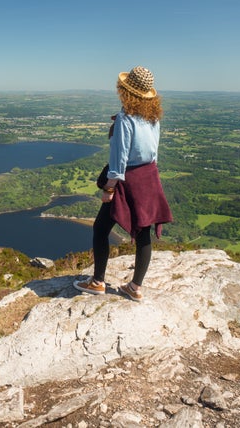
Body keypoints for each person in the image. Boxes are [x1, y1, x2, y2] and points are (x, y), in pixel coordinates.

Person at [74, 65, 173, 301]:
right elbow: (153, 152)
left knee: (100, 229)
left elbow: (119, 158)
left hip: (126, 179)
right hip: (149, 176)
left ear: (125, 91)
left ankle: (97, 282)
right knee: (144, 232)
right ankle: (135, 287)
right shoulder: (153, 118)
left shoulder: (125, 118)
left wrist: (109, 188)